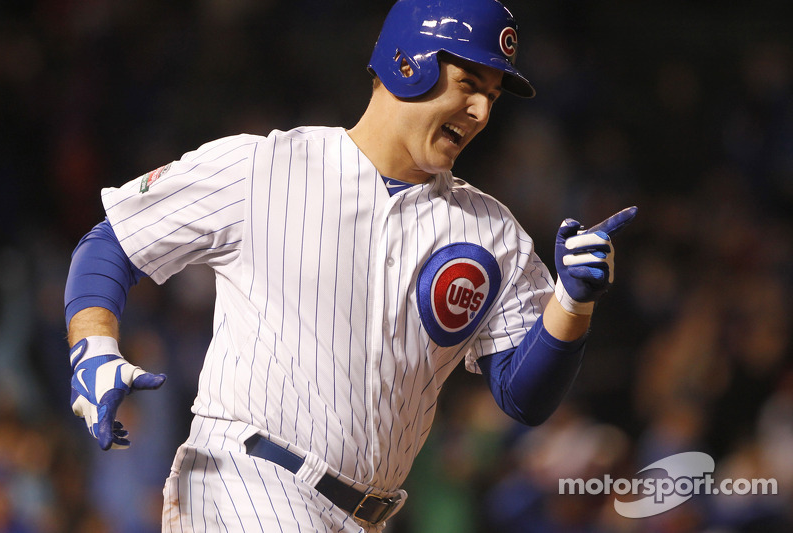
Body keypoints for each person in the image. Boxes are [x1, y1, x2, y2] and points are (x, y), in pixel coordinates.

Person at [63, 0, 637, 531]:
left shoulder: (493, 233)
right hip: (243, 480)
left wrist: (572, 302)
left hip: (366, 515)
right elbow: (114, 241)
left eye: (493, 95)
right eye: (469, 84)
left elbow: (523, 397)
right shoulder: (266, 166)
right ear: (407, 63)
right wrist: (94, 347)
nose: (482, 111)